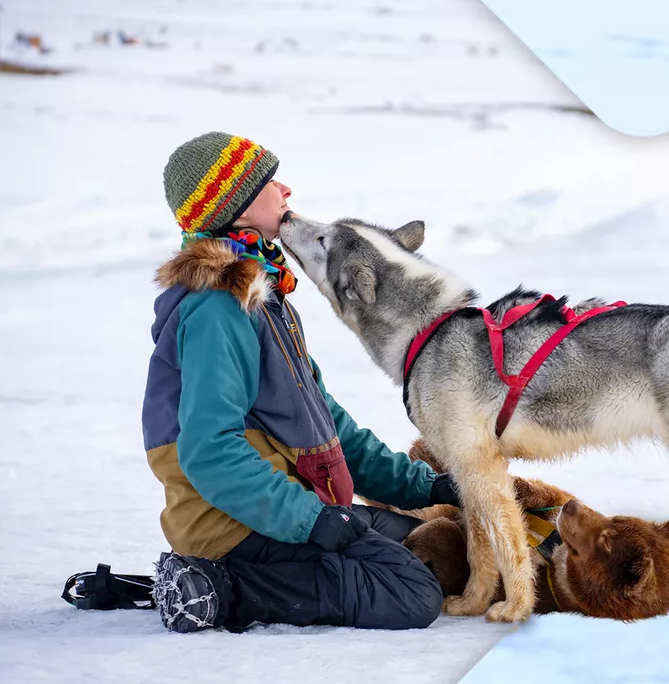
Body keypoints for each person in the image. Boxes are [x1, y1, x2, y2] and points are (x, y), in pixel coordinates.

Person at [142, 131, 460, 633]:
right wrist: (315, 522)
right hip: (232, 524)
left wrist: (428, 485)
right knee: (412, 593)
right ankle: (219, 589)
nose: (285, 188)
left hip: (285, 503)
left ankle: (251, 572)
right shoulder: (217, 310)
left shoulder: (260, 295)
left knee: (437, 544)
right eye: (269, 182)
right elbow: (209, 451)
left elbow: (325, 421)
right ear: (239, 209)